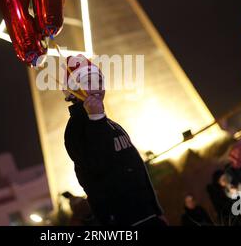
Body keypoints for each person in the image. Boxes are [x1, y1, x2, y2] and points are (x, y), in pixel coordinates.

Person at [63, 55, 167, 226]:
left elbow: (138, 167)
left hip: (148, 216)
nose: (96, 87)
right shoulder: (75, 130)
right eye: (88, 82)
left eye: (99, 80)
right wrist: (96, 120)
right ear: (73, 89)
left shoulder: (110, 123)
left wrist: (156, 210)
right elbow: (98, 165)